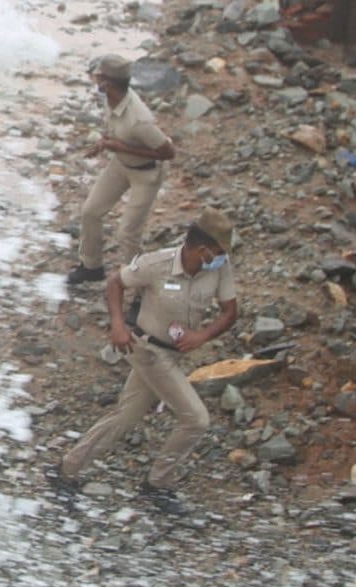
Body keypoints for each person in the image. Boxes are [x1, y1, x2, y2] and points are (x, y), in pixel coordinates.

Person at [50, 209, 241, 505]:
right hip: (147, 350)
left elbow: (230, 312)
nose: (221, 258)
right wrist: (117, 325)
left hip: (173, 355)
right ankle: (157, 483)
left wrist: (201, 336)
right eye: (217, 251)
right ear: (201, 248)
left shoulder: (219, 267)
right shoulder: (157, 264)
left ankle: (67, 470)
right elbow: (115, 283)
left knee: (125, 417)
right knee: (196, 419)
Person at [66, 55, 174, 288]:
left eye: (98, 77)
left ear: (107, 84)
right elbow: (115, 128)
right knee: (91, 211)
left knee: (127, 234)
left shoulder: (139, 120)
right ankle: (91, 266)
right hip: (121, 164)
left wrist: (120, 147)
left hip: (147, 173)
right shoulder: (112, 98)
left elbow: (168, 152)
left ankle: (142, 288)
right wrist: (104, 144)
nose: (95, 80)